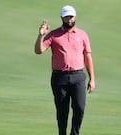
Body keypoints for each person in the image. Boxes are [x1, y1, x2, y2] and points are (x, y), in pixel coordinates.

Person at [34, 5, 95, 135]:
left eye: (71, 16)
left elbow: (87, 56)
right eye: (66, 17)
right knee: (62, 111)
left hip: (78, 76)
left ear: (75, 17)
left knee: (79, 108)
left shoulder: (82, 35)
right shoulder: (53, 35)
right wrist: (40, 36)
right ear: (62, 17)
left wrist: (92, 79)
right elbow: (38, 51)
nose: (69, 19)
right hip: (59, 78)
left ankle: (75, 133)